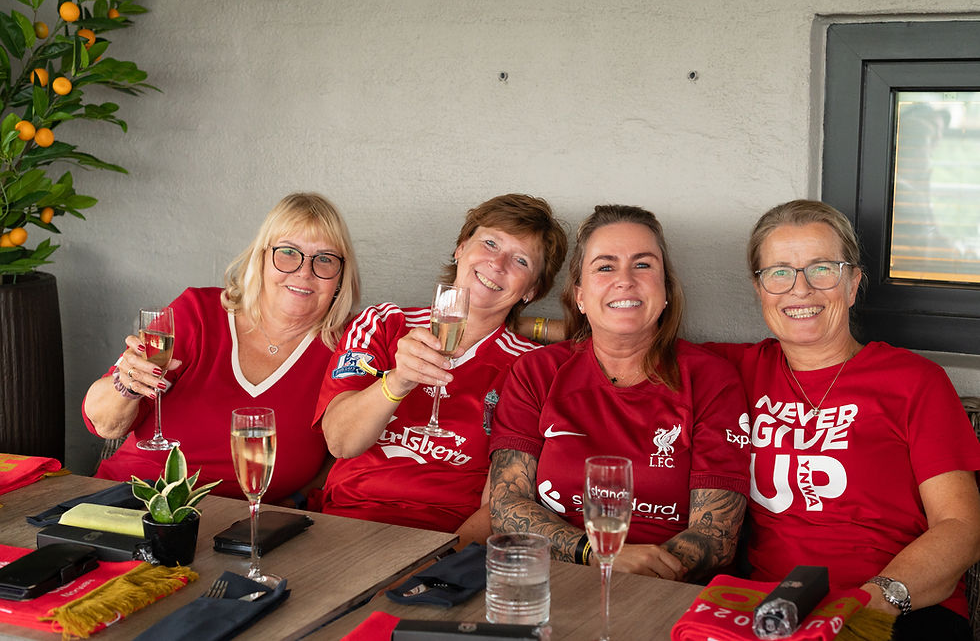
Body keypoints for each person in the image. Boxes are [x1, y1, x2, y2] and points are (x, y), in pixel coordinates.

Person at [703, 199, 980, 639]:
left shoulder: (915, 381)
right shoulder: (731, 372)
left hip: (898, 608)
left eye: (822, 269)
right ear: (759, 290)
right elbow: (630, 340)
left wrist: (873, 602)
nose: (800, 290)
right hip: (772, 612)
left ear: (852, 284)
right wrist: (553, 327)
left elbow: (960, 525)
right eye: (779, 272)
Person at [489, 204, 750, 582]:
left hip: (667, 589)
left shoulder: (711, 379)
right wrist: (596, 555)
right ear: (579, 295)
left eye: (643, 265)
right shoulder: (537, 372)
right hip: (554, 578)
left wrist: (637, 571)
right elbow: (507, 505)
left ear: (665, 292)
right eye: (605, 266)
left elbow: (717, 535)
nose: (625, 280)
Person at [316, 194, 568, 546]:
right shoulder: (384, 322)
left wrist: (440, 564)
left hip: (447, 540)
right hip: (347, 524)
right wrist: (398, 381)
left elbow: (501, 505)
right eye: (490, 243)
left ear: (533, 290)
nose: (497, 263)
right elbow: (340, 442)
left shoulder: (529, 368)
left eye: (521, 260)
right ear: (460, 248)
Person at [83, 192, 360, 506]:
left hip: (245, 531)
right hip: (133, 502)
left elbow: (350, 448)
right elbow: (104, 424)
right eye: (287, 252)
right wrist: (127, 384)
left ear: (340, 276)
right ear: (261, 257)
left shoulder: (352, 345)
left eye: (324, 258)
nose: (305, 271)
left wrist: (296, 501)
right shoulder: (195, 313)